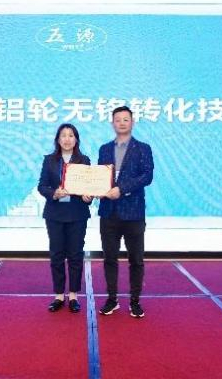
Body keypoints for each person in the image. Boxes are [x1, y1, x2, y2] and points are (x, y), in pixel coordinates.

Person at [97, 106, 154, 318]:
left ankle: (135, 301)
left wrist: (121, 189)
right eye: (118, 119)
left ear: (132, 122)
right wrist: (94, 190)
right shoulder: (104, 149)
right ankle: (112, 299)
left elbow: (147, 176)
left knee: (136, 260)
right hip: (108, 212)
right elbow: (99, 177)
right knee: (109, 259)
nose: (121, 123)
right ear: (112, 123)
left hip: (134, 213)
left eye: (125, 119)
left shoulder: (143, 148)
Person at [38, 123, 93, 313]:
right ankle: (59, 295)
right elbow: (42, 186)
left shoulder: (84, 160)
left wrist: (89, 197)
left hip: (77, 214)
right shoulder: (49, 160)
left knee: (76, 255)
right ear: (58, 139)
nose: (67, 139)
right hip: (55, 214)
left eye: (71, 135)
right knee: (57, 255)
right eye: (63, 135)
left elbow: (89, 187)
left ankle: (73, 295)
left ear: (76, 139)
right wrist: (54, 193)